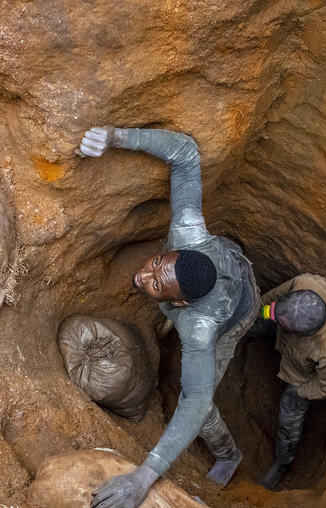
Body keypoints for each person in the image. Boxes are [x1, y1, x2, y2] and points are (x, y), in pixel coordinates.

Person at [78, 126, 260, 508]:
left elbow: (194, 401)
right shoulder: (188, 233)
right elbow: (185, 152)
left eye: (156, 286)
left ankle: (229, 454)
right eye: (157, 263)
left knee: (205, 403)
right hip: (230, 259)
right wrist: (115, 137)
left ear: (179, 305)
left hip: (237, 315)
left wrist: (145, 475)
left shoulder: (200, 328)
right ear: (176, 252)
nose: (144, 276)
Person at [255, 274, 326, 490]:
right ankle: (244, 331)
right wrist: (262, 311)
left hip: (302, 378)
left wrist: (299, 391)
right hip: (284, 327)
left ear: (306, 333)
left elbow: (324, 387)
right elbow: (272, 300)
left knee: (289, 415)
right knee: (261, 319)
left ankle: (282, 462)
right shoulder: (306, 283)